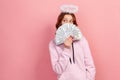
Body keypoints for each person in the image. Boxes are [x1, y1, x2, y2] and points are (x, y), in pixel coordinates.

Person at [49, 5, 96, 80]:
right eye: (65, 20)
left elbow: (90, 66)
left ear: (74, 24)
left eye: (71, 21)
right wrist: (67, 48)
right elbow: (58, 70)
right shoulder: (53, 44)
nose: (68, 24)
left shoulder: (82, 41)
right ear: (60, 23)